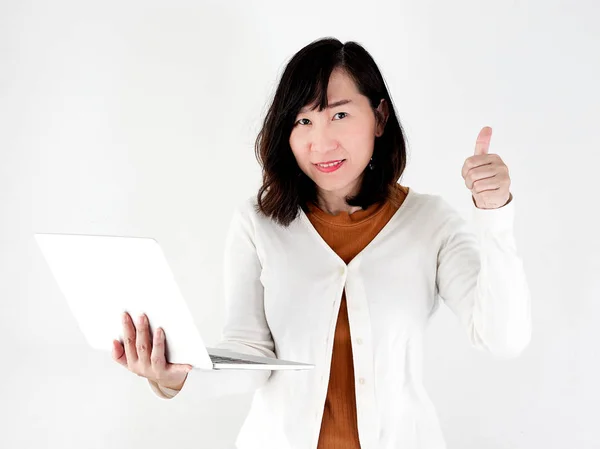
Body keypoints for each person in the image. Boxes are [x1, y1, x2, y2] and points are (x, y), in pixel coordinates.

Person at [112, 37, 532, 449]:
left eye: (340, 116)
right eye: (303, 121)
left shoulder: (431, 222)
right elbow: (251, 357)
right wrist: (176, 375)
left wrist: (494, 213)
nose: (321, 142)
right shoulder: (258, 223)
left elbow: (502, 338)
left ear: (379, 117)